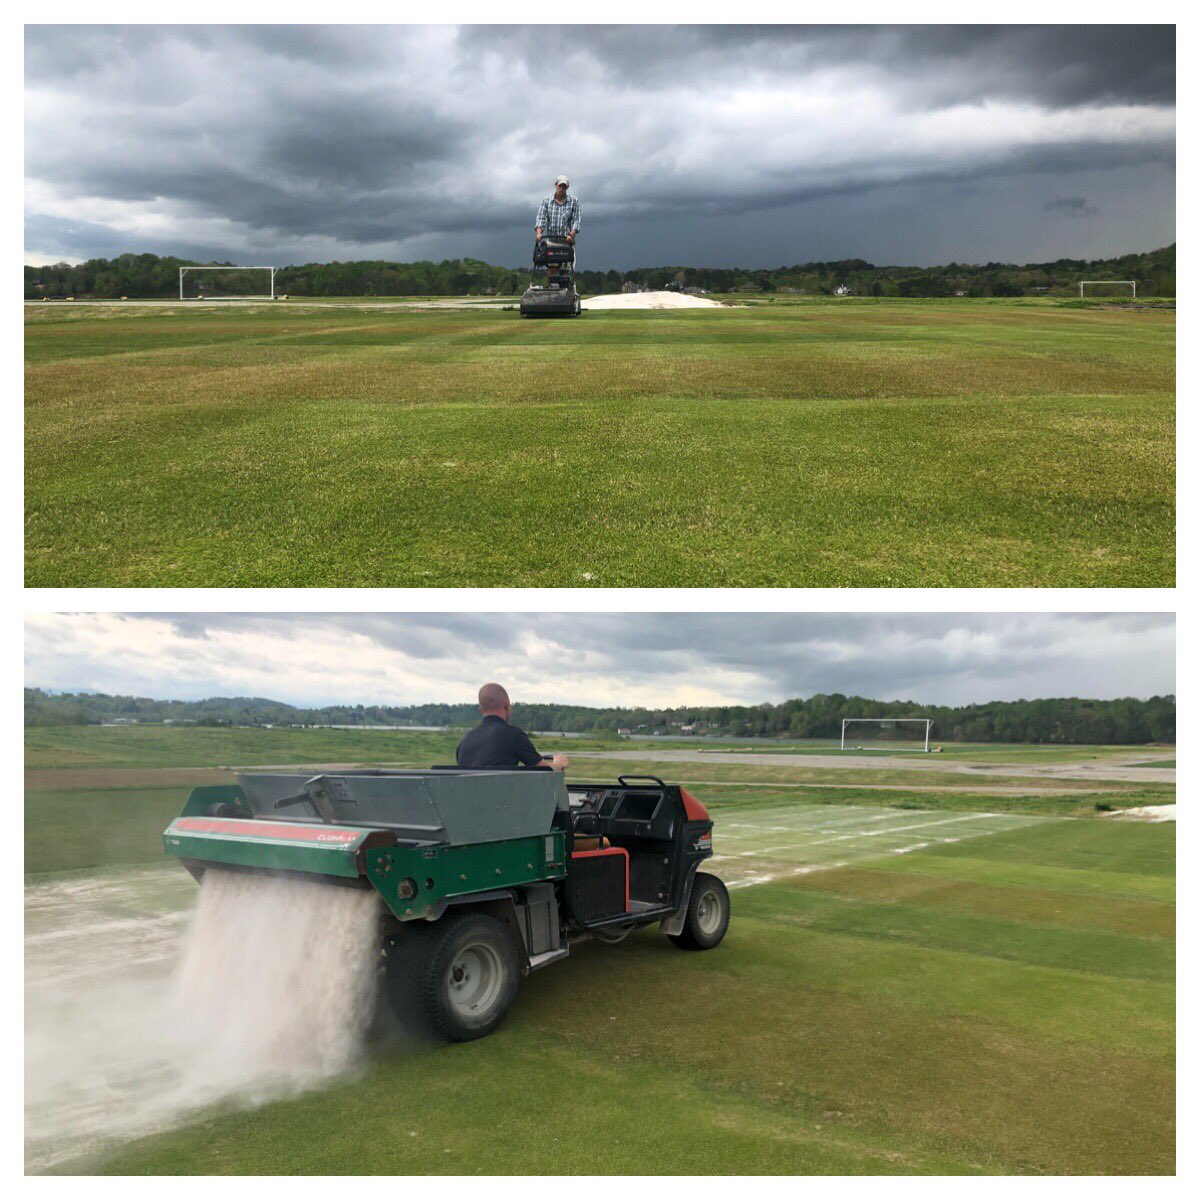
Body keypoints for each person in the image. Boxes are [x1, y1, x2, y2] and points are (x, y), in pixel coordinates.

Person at [456, 683, 569, 771]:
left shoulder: (464, 742)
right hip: (503, 800)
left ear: (480, 710)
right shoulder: (513, 735)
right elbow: (546, 771)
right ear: (506, 706)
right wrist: (559, 763)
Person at [535, 175, 581, 285]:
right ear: (556, 185)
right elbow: (541, 218)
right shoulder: (547, 201)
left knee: (565, 269)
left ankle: (566, 290)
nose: (562, 188)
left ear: (567, 187)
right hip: (551, 240)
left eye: (564, 186)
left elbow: (576, 221)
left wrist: (572, 234)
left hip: (566, 240)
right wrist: (539, 234)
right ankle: (551, 291)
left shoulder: (574, 202)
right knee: (551, 267)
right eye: (560, 186)